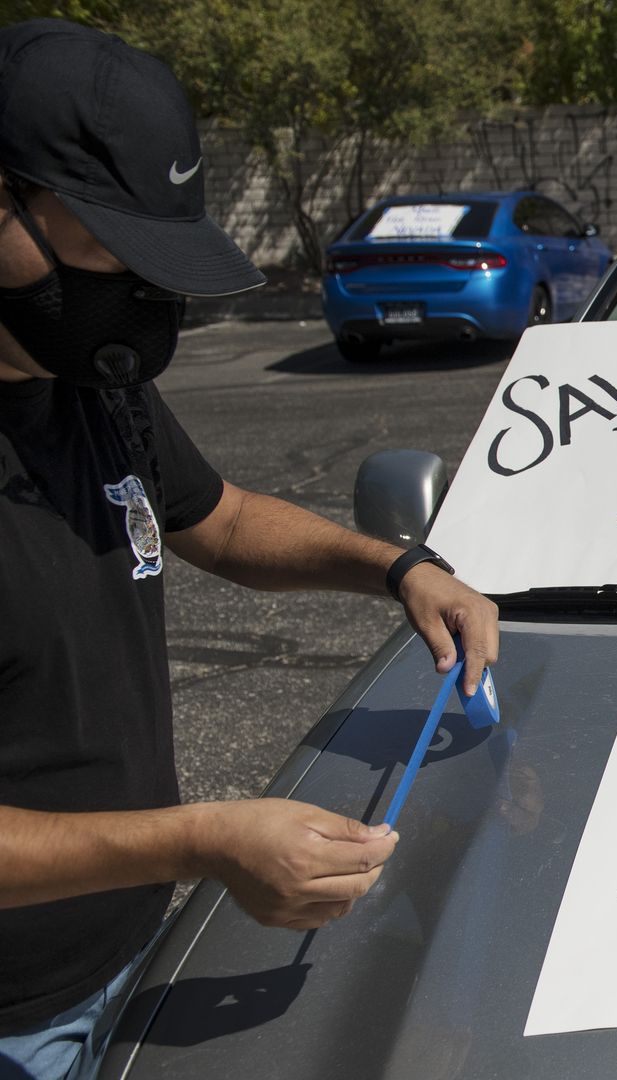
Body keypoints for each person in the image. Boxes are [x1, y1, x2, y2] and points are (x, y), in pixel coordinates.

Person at [0, 19, 500, 1079]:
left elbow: (215, 516)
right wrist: (203, 839)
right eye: (108, 244)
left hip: (127, 956)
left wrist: (396, 567)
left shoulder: (85, 377)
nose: (137, 288)